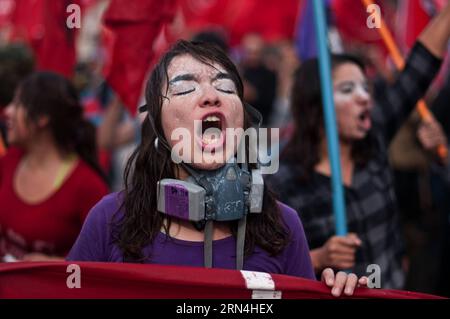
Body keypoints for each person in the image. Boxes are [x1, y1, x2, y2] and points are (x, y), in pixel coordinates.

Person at [68, 40, 366, 297]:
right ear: (157, 126)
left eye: (225, 86)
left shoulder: (284, 225)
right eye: (185, 88)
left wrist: (334, 293)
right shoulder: (109, 220)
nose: (212, 95)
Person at [267, 4, 450, 289]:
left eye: (365, 88)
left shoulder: (372, 138)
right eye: (348, 90)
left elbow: (417, 70)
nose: (364, 98)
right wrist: (317, 257)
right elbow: (265, 264)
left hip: (393, 290)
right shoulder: (284, 181)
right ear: (317, 106)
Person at [0, 72, 109, 262]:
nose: (7, 111)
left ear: (42, 118)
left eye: (17, 104)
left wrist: (54, 266)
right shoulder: (9, 161)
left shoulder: (87, 187)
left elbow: (104, 263)